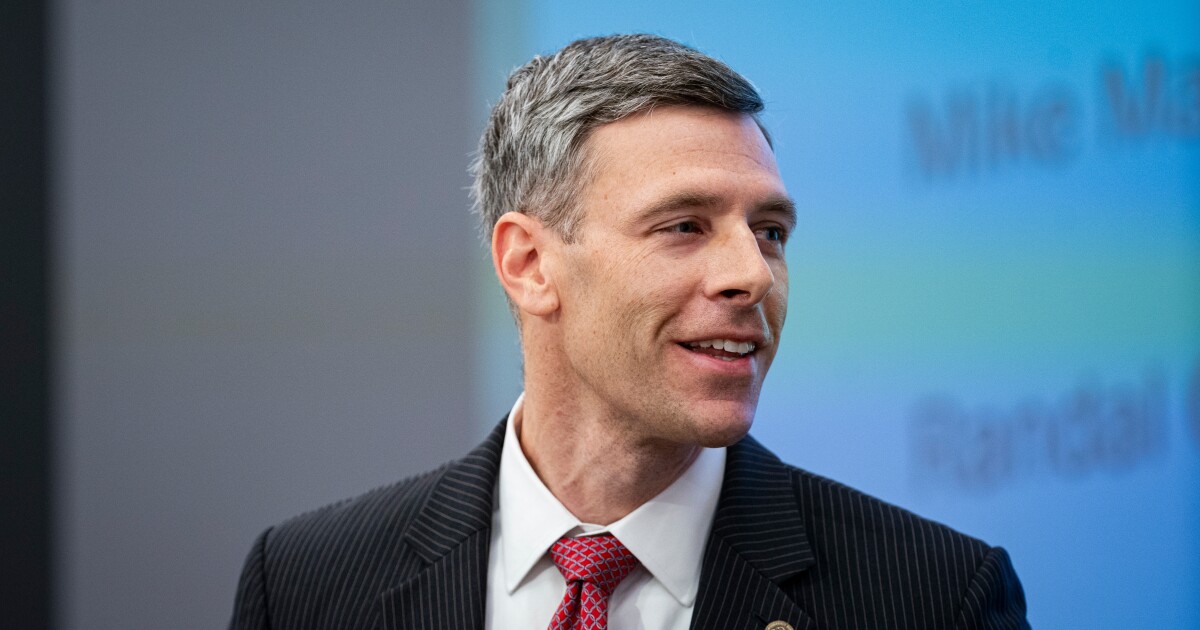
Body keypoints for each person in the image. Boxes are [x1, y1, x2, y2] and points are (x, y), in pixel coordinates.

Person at [229, 34, 1028, 630]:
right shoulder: (305, 585)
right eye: (684, 226)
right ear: (530, 264)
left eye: (771, 232)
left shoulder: (933, 598)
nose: (752, 275)